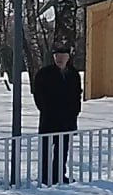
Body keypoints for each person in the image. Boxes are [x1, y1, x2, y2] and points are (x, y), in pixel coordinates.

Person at [34, 44, 82, 185]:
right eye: (57, 56)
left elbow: (77, 96)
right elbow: (38, 96)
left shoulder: (73, 74)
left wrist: (74, 114)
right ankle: (45, 176)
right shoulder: (44, 74)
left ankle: (60, 175)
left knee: (62, 150)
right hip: (49, 119)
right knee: (46, 150)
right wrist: (47, 110)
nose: (60, 59)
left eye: (63, 56)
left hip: (67, 120)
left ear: (68, 57)